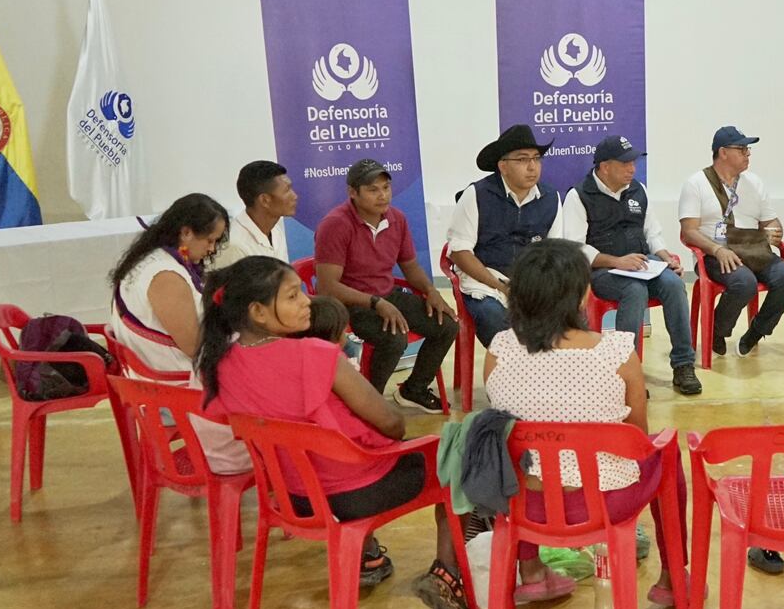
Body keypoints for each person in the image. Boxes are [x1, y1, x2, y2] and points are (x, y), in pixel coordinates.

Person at [196, 256, 474, 609]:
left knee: (350, 445)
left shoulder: (220, 363)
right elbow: (391, 424)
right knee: (460, 456)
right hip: (355, 492)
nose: (307, 301)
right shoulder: (314, 354)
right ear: (259, 312)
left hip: (292, 496)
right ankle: (447, 573)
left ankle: (369, 556)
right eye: (293, 296)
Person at [483, 239, 688, 608]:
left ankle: (530, 570)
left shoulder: (499, 349)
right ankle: (674, 578)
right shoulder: (618, 351)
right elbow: (637, 440)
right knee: (666, 450)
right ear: (581, 297)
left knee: (526, 450)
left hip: (524, 506)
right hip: (604, 504)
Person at [108, 192, 249, 475]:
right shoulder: (165, 276)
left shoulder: (155, 260)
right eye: (209, 240)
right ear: (186, 232)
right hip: (174, 392)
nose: (211, 249)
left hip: (159, 379)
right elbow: (196, 347)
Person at [313, 158, 458, 413]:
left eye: (386, 187)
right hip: (350, 304)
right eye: (373, 189)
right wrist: (375, 303)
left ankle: (413, 389)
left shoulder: (397, 219)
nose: (382, 196)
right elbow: (327, 287)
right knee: (394, 340)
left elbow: (410, 267)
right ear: (352, 193)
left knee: (447, 325)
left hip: (386, 295)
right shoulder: (335, 225)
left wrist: (431, 291)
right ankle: (368, 403)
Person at [561, 135, 700, 396]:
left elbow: (652, 233)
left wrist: (665, 256)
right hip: (603, 271)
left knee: (673, 284)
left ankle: (683, 365)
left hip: (642, 265)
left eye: (633, 162)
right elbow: (575, 248)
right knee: (634, 291)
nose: (632, 169)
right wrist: (616, 261)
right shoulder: (578, 196)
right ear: (604, 167)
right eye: (625, 163)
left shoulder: (639, 190)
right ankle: (627, 372)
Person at [678, 126, 784, 357]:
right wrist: (716, 249)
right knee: (744, 282)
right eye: (742, 149)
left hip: (753, 250)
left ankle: (756, 331)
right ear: (723, 152)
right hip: (716, 254)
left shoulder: (754, 182)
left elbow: (770, 221)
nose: (747, 154)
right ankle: (717, 331)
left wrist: (776, 230)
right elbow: (689, 231)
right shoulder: (696, 183)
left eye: (748, 149)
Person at [446, 125, 563, 350]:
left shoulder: (551, 198)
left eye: (536, 159)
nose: (532, 167)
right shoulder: (476, 195)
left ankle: (552, 378)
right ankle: (515, 380)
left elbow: (554, 252)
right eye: (522, 159)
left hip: (530, 284)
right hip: (486, 282)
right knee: (496, 319)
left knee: (568, 318)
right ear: (503, 166)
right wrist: (500, 286)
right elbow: (461, 253)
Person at [210, 160, 296, 270]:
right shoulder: (234, 245)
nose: (294, 196)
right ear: (265, 200)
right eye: (287, 190)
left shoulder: (276, 232)